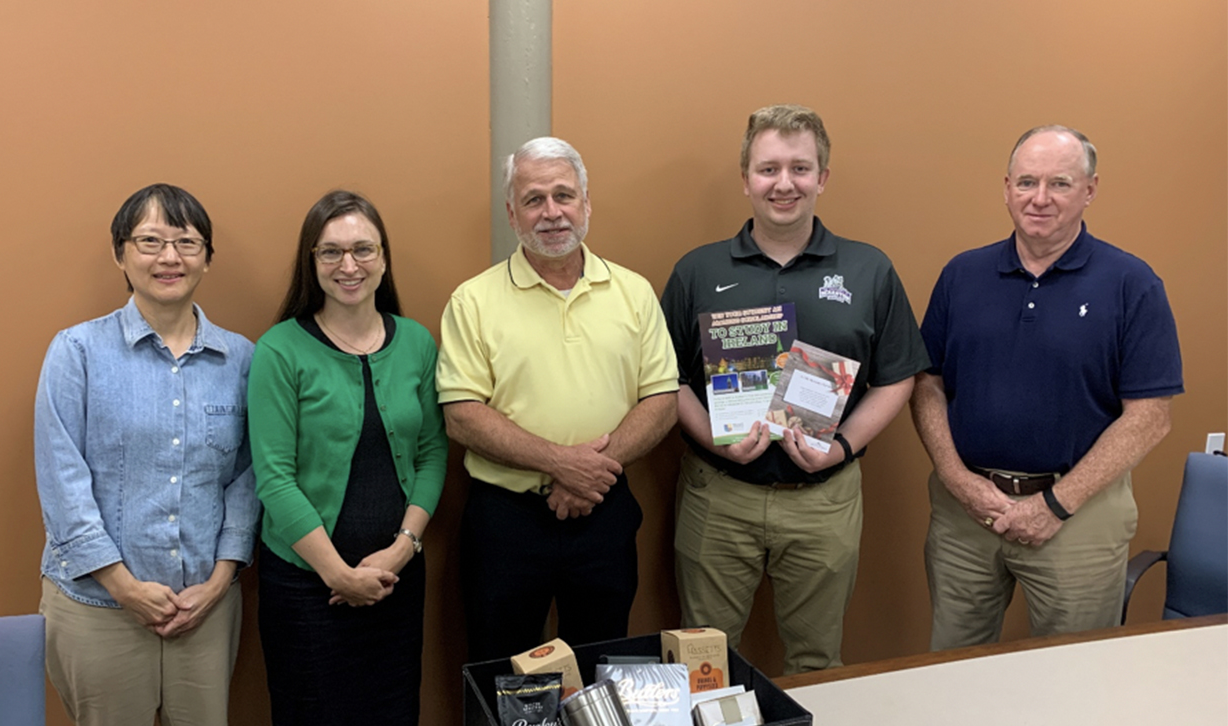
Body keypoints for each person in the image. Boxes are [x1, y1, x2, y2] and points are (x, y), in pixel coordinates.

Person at [660, 105, 930, 673]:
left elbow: (897, 376)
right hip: (719, 492)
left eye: (801, 169)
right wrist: (714, 439)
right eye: (768, 169)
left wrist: (842, 447)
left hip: (824, 500)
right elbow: (667, 380)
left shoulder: (868, 270)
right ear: (745, 179)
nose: (784, 184)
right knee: (704, 662)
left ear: (823, 178)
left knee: (816, 662)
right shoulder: (697, 271)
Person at [911, 126, 1183, 649]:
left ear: (1090, 189)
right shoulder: (962, 275)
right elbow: (927, 382)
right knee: (951, 669)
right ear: (1006, 187)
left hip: (1079, 517)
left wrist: (1056, 504)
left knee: (1072, 680)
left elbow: (1151, 416)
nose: (1039, 199)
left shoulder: (1132, 284)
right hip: (966, 511)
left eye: (1059, 183)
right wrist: (955, 478)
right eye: (1027, 182)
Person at [437, 137, 679, 662]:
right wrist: (563, 465)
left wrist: (592, 473)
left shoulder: (633, 292)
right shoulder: (473, 300)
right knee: (502, 671)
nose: (552, 212)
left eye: (564, 196)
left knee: (603, 662)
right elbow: (462, 416)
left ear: (586, 203)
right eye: (534, 199)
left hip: (604, 512)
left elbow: (662, 400)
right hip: (506, 523)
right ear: (512, 213)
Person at [34, 183, 257, 726]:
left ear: (207, 258)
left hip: (205, 610)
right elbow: (62, 477)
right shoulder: (77, 352)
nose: (169, 258)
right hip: (98, 606)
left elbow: (247, 478)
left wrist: (220, 580)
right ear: (121, 254)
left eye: (186, 242)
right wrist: (123, 586)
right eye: (150, 241)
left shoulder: (241, 358)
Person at [248, 190, 446, 725]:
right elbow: (274, 478)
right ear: (311, 263)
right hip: (306, 589)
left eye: (364, 249)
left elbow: (431, 455)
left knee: (394, 709)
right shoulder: (279, 350)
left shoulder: (417, 344)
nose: (349, 265)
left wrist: (401, 551)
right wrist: (339, 575)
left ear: (384, 258)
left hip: (396, 582)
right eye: (330, 252)